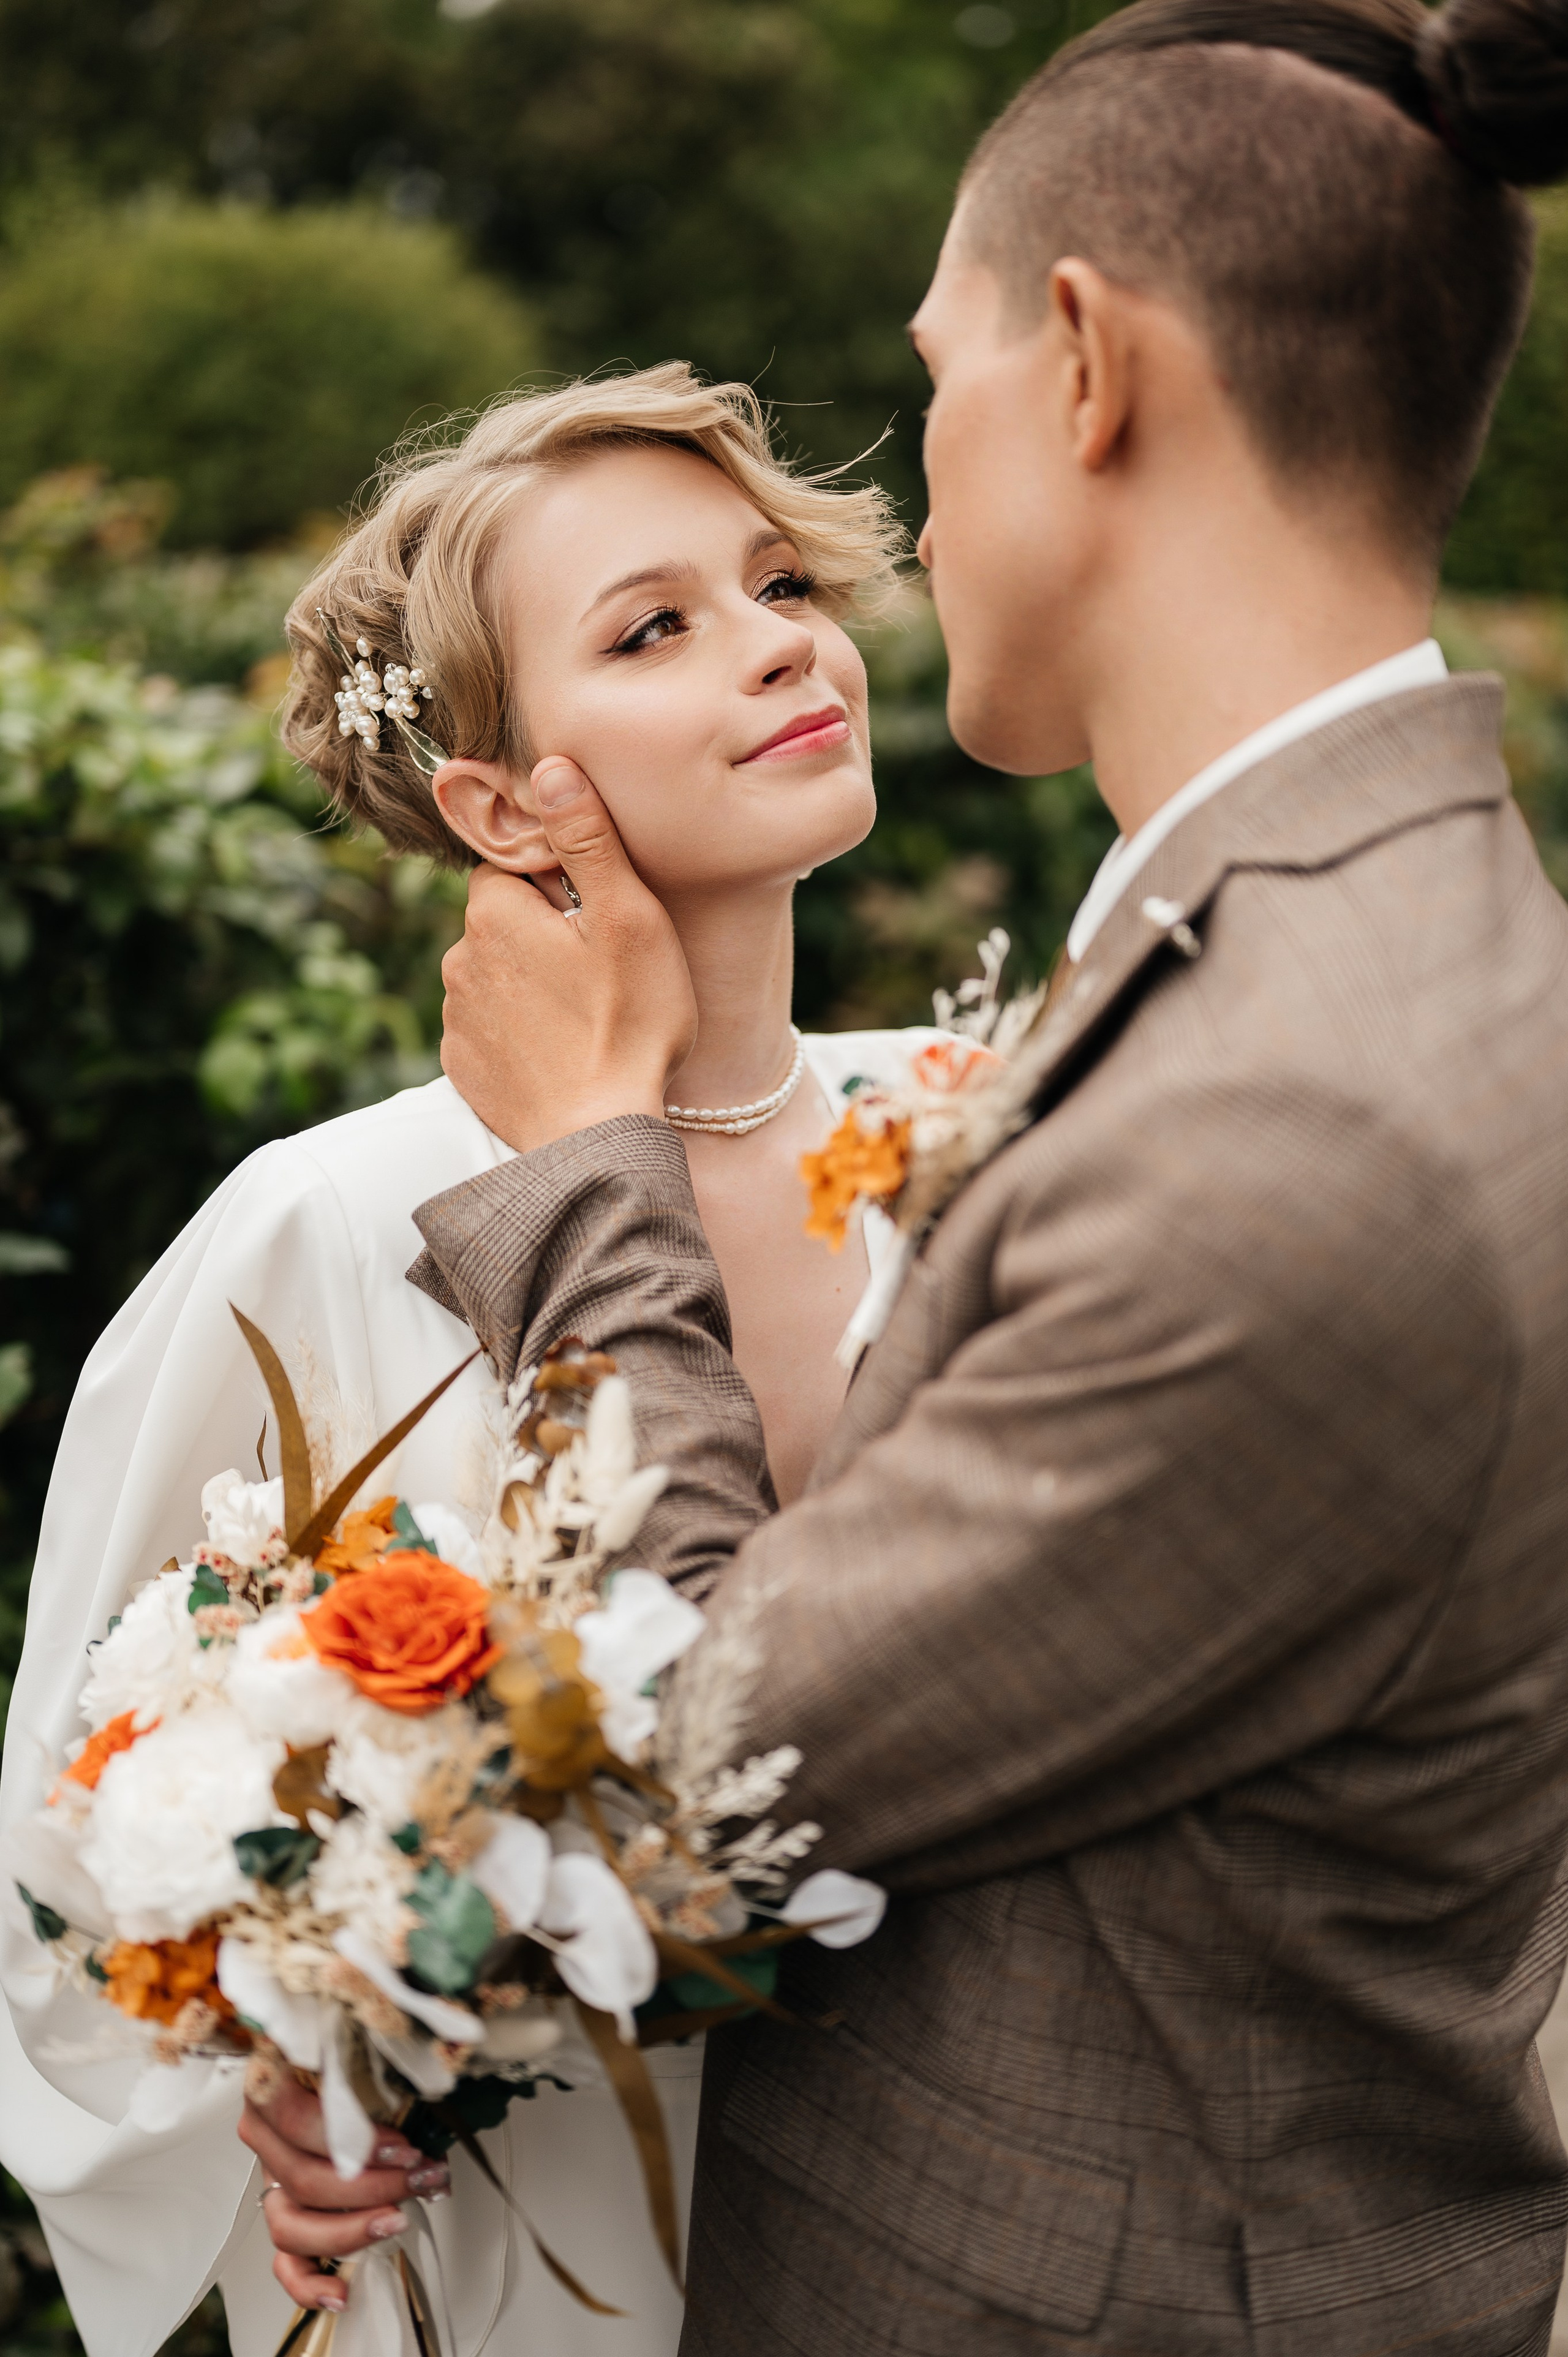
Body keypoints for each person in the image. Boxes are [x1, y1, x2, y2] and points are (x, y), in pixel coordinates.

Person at [412, 1, 1568, 2351]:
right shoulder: (1354, 948)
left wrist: (590, 1166)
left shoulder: (1289, 1120)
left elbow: (683, 1791)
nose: (905, 519)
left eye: (931, 384)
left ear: (1081, 367)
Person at [0, 364, 940, 2356]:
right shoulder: (320, 1229)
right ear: (499, 805)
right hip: (537, 2256)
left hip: (960, 2223)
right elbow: (81, 1829)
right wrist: (267, 2078)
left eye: (781, 581)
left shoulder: (976, 1141)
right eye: (657, 625)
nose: (783, 644)